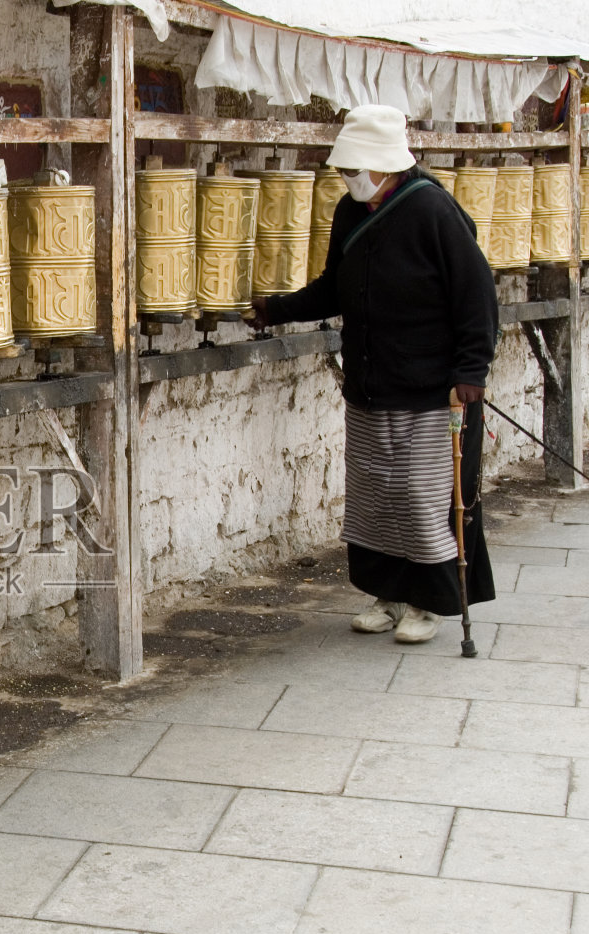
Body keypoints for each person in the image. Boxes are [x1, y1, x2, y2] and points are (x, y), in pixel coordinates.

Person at [250, 104, 496, 644]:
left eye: (357, 167)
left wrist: (471, 369)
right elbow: (335, 286)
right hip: (370, 381)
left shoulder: (433, 210)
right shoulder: (349, 212)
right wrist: (278, 309)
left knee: (420, 491)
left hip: (429, 386)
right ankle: (388, 595)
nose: (349, 178)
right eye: (345, 169)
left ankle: (427, 604)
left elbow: (476, 292)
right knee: (376, 492)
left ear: (386, 163)